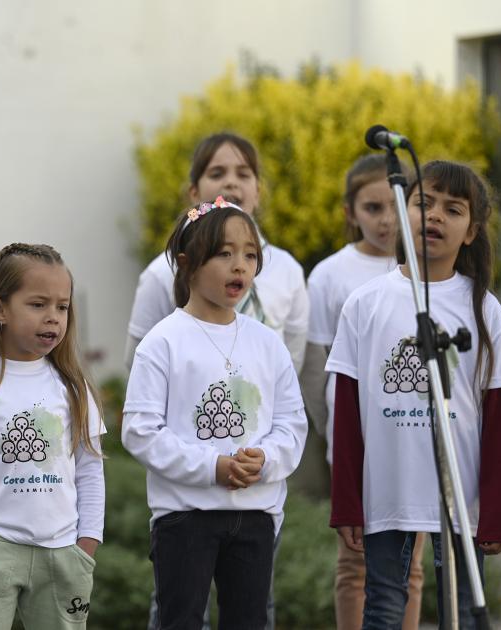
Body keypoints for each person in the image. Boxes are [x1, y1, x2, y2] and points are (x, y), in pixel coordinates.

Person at [328, 161, 501, 629]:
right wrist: (347, 502)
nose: (435, 216)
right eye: (424, 203)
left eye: (452, 209)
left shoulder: (485, 310)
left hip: (462, 500)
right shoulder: (366, 303)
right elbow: (347, 412)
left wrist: (497, 512)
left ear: (471, 231)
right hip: (387, 493)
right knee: (384, 609)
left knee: (463, 613)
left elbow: (499, 417)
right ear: (402, 213)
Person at [125, 131, 308, 629]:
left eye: (249, 256)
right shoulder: (164, 341)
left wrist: (265, 459)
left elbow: (291, 422)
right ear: (185, 264)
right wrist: (214, 466)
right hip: (185, 514)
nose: (240, 266)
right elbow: (140, 429)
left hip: (256, 512)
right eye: (224, 254)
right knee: (179, 619)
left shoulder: (266, 342)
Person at [0, 243, 105, 629]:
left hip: (63, 555)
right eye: (38, 304)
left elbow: (90, 470)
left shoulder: (74, 388)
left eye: (62, 307)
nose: (53, 318)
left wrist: (86, 546)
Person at [301, 153, 425, 629]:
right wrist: (335, 430)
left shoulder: (424, 271)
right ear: (350, 212)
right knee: (355, 562)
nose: (386, 219)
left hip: (411, 436)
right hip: (355, 444)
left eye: (395, 206)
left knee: (409, 565)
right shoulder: (331, 274)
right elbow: (316, 368)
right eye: (373, 208)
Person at [125, 131, 308, 373]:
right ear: (194, 193)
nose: (231, 182)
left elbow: (293, 362)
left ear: (258, 192)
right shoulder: (162, 273)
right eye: (216, 173)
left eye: (243, 174)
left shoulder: (287, 270)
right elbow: (139, 362)